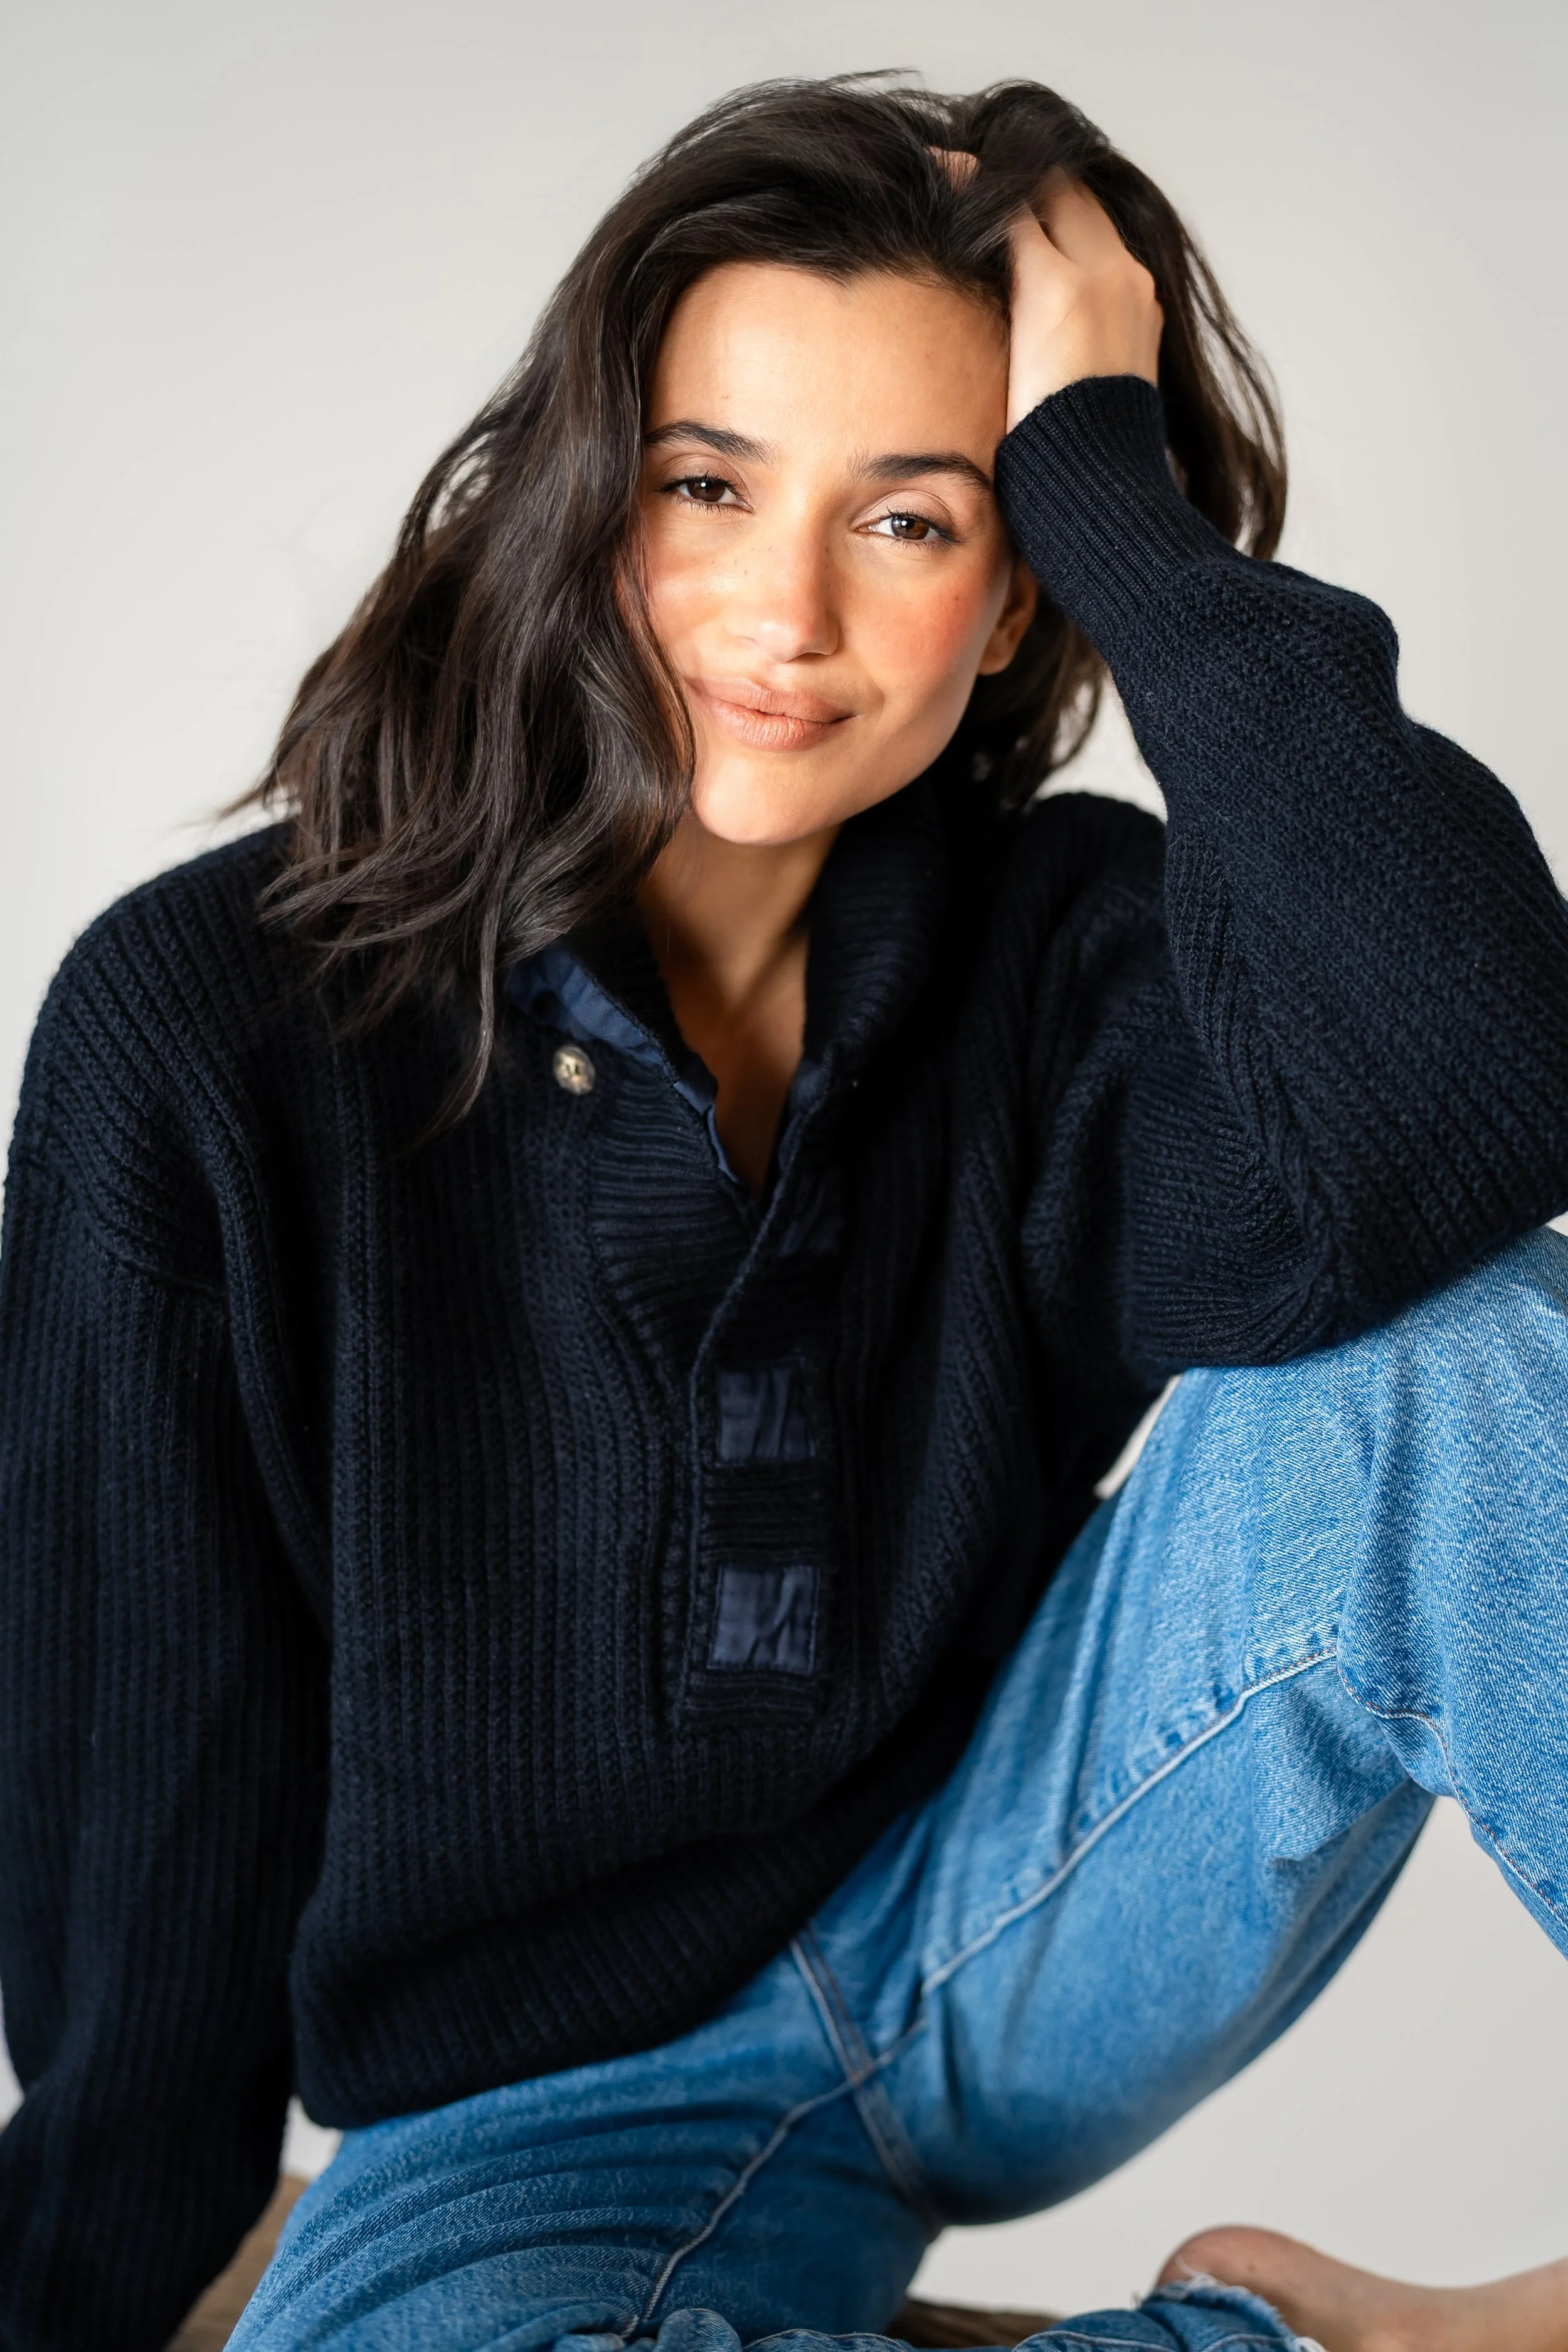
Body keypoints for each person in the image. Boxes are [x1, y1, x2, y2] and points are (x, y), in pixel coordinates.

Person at [1, 70, 1565, 2352]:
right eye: (705, 484)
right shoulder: (208, 1033)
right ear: (583, 496)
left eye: (914, 519)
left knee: (1454, 1345)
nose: (783, 612)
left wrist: (1114, 496)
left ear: (1012, 596)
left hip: (1006, 1917)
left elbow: (1478, 1096)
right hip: (529, 2115)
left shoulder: (1058, 954)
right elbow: (138, 1806)